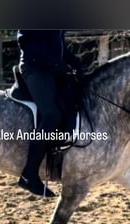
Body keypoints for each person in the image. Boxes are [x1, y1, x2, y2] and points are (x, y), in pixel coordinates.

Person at [16, 30, 83, 197]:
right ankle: (29, 175)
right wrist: (55, 65)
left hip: (52, 70)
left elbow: (59, 49)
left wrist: (75, 63)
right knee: (52, 115)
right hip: (34, 68)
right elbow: (26, 42)